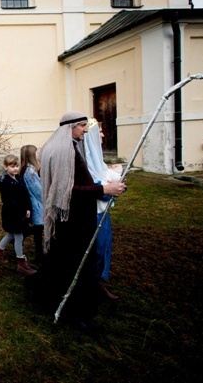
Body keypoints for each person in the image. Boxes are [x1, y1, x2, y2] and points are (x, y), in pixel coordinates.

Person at [25, 111, 126, 330]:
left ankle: (46, 294)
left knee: (60, 258)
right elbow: (66, 190)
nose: (86, 130)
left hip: (68, 217)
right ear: (70, 126)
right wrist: (104, 188)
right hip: (72, 218)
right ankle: (76, 311)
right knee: (76, 263)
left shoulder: (58, 146)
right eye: (82, 126)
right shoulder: (64, 150)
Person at [84, 118, 122, 300]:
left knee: (105, 246)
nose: (103, 134)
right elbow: (94, 186)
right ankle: (92, 284)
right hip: (92, 213)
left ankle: (99, 281)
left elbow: (103, 174)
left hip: (102, 213)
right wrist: (110, 186)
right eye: (99, 131)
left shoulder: (96, 156)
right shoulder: (86, 159)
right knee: (96, 249)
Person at [0, 154, 36, 275]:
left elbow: (25, 194)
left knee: (11, 233)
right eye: (12, 166)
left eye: (16, 166)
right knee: (19, 235)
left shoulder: (19, 178)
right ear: (5, 167)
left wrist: (28, 208)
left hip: (21, 211)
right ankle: (21, 262)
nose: (15, 169)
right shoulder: (5, 182)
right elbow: (10, 201)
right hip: (12, 213)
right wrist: (21, 211)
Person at [20, 145, 45, 265]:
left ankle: (40, 253)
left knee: (38, 229)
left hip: (36, 203)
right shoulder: (31, 171)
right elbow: (38, 190)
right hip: (37, 204)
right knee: (38, 229)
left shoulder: (28, 169)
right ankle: (39, 255)